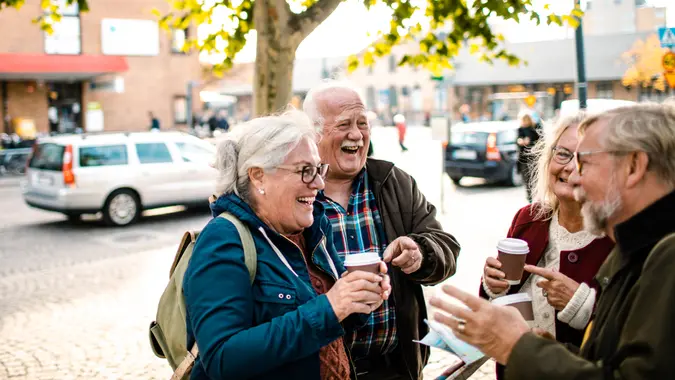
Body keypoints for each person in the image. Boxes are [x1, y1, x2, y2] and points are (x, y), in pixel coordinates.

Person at [431, 103, 675, 379]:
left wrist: (519, 347)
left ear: (634, 166)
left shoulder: (665, 252)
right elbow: (609, 359)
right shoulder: (637, 244)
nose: (575, 175)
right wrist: (538, 346)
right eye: (565, 156)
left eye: (585, 161)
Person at [183, 110, 392, 380]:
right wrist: (330, 307)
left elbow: (325, 324)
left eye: (319, 169)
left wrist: (357, 301)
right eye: (305, 171)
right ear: (258, 176)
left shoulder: (313, 229)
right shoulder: (224, 239)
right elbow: (223, 359)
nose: (319, 183)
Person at [303, 81, 461, 380]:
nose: (356, 134)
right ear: (313, 133)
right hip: (323, 371)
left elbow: (446, 248)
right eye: (344, 124)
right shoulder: (298, 193)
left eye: (363, 123)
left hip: (395, 367)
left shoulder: (393, 182)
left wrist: (421, 253)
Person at [479, 112, 614, 379]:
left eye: (585, 159)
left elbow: (633, 331)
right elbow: (502, 299)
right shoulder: (528, 218)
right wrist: (492, 286)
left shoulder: (616, 236)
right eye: (563, 154)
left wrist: (581, 304)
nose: (570, 168)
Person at [517, 113, 543, 202]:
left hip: (533, 157)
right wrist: (520, 141)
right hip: (523, 158)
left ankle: (536, 197)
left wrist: (530, 141)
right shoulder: (520, 129)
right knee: (526, 179)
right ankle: (530, 199)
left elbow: (540, 141)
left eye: (525, 120)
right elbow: (517, 140)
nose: (524, 122)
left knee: (535, 178)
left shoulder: (535, 128)